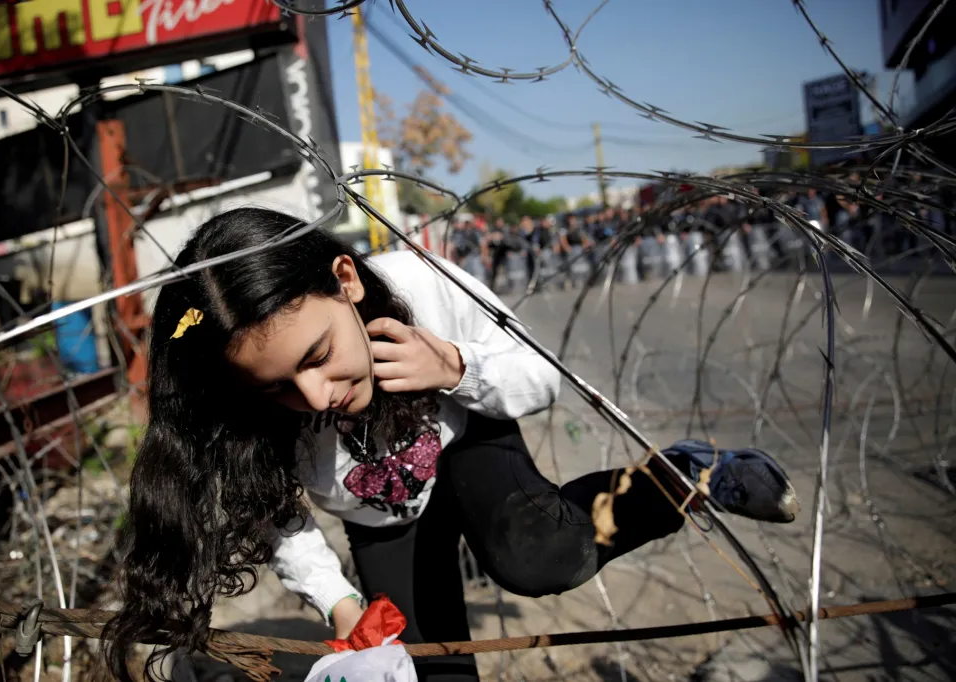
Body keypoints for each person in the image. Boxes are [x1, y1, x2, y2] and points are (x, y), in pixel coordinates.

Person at [103, 208, 800, 682]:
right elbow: (275, 514)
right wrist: (337, 600)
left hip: (466, 436)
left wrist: (455, 368)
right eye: (283, 388)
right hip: (380, 516)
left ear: (345, 281)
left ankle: (683, 475)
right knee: (429, 664)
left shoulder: (422, 286)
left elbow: (542, 377)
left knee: (539, 554)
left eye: (319, 355)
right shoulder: (251, 409)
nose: (317, 398)